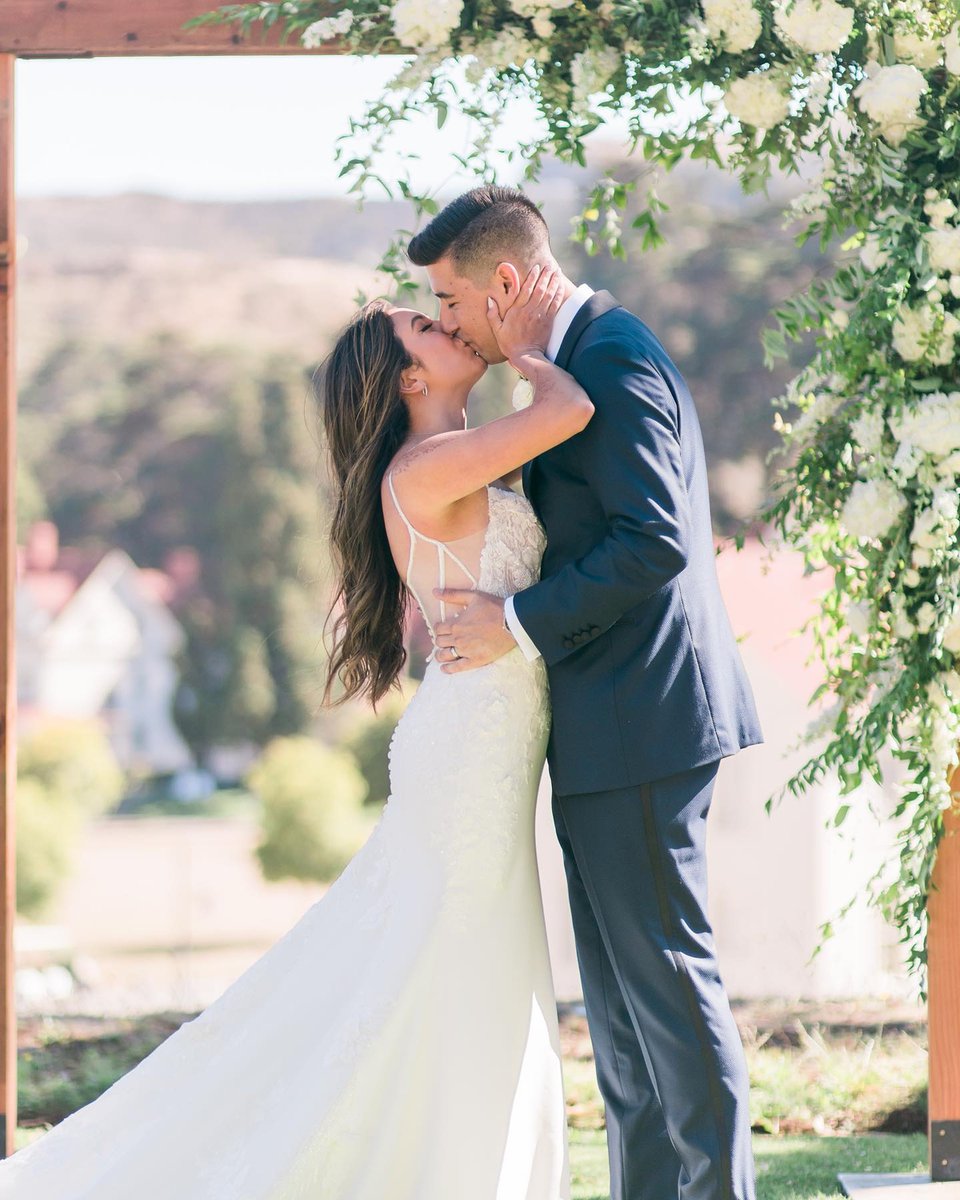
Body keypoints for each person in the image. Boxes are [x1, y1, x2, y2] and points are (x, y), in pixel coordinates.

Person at [0, 264, 590, 1198]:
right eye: (427, 329)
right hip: (471, 752)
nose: (449, 327)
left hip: (484, 741)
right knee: (442, 965)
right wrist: (527, 336)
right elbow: (568, 410)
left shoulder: (458, 452)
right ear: (408, 380)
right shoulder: (429, 468)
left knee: (442, 964)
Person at [407, 185, 765, 1200]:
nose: (447, 322)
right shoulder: (573, 361)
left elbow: (651, 540)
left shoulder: (611, 359)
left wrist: (513, 623)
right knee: (620, 1011)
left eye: (452, 300)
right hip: (607, 721)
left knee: (668, 988)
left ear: (507, 281)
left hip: (645, 716)